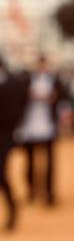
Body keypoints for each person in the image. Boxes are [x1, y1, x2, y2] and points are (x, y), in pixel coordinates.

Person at [14, 54, 66, 207]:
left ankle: (49, 193)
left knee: (50, 161)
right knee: (29, 160)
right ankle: (31, 189)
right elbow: (18, 97)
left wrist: (54, 98)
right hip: (30, 126)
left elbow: (63, 97)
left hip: (48, 125)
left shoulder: (55, 81)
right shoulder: (26, 81)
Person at [0, 57, 30, 231]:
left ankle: (12, 209)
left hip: (3, 139)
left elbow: (13, 114)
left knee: (1, 175)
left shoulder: (11, 87)